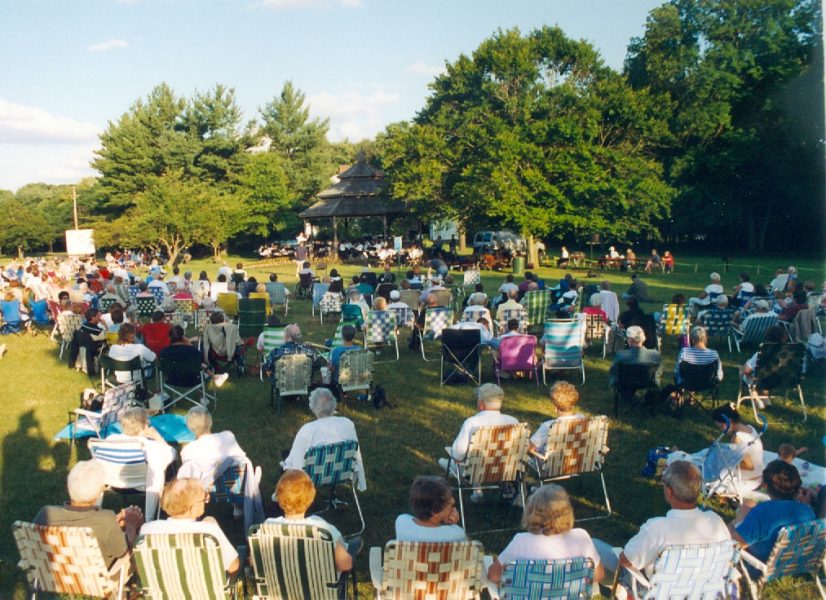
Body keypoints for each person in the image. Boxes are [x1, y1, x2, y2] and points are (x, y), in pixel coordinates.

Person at [595, 461, 729, 585]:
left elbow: (626, 561)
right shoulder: (715, 521)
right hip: (707, 591)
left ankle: (619, 591)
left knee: (594, 546)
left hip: (661, 592)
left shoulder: (657, 528)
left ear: (669, 491)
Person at [33, 460, 144, 568]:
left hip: (55, 577)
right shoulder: (105, 521)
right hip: (95, 583)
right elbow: (124, 553)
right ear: (98, 493)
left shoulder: (46, 514)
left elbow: (34, 548)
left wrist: (113, 525)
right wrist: (131, 526)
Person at [488, 485, 604, 584]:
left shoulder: (521, 541)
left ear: (531, 512)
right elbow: (598, 575)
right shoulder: (581, 537)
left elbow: (493, 576)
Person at [140, 478, 240, 574]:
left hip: (161, 590)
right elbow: (233, 567)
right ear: (191, 509)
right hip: (203, 590)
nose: (206, 501)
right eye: (203, 498)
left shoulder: (147, 530)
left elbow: (141, 567)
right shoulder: (208, 532)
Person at [437, 384, 518, 501]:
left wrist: (455, 457)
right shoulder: (513, 422)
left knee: (455, 461)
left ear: (481, 404)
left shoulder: (472, 423)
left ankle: (477, 491)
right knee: (479, 458)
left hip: (476, 470)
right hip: (506, 468)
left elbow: (458, 454)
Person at [267, 470, 357, 571]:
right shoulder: (322, 529)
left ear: (278, 498)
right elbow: (345, 565)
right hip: (317, 586)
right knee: (354, 543)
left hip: (278, 586)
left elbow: (255, 562)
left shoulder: (268, 527)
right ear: (311, 498)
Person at [729, 460, 815, 564]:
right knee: (748, 505)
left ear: (765, 486)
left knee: (727, 528)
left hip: (757, 563)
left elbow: (735, 544)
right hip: (793, 562)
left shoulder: (762, 512)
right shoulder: (807, 510)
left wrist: (731, 528)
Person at [281, 387, 366, 491]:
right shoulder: (347, 424)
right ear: (333, 405)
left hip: (314, 477)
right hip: (342, 472)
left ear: (313, 407)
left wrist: (286, 464)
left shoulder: (308, 429)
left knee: (286, 455)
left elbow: (296, 462)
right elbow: (357, 454)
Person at [107, 407, 177, 520]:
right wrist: (157, 437)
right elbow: (173, 453)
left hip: (113, 482)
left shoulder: (110, 439)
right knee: (159, 467)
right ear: (144, 426)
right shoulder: (149, 446)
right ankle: (150, 517)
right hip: (139, 485)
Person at [710, 403, 764, 493]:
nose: (721, 430)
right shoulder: (750, 428)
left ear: (729, 421)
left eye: (720, 426)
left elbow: (749, 465)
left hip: (751, 477)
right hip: (759, 471)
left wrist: (726, 463)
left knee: (715, 470)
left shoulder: (738, 438)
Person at [395, 476, 465, 542]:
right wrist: (452, 525)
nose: (453, 500)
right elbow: (470, 548)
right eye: (448, 502)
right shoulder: (456, 534)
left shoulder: (401, 522)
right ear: (434, 512)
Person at [160, 325, 229, 387]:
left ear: (170, 337)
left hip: (172, 380)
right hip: (191, 380)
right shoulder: (192, 350)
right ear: (183, 336)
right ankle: (204, 395)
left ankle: (215, 378)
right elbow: (201, 360)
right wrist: (188, 344)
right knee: (200, 365)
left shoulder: (164, 351)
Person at [529, 382, 584, 455]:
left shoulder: (549, 426)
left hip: (553, 465)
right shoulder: (582, 419)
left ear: (555, 408)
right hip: (579, 461)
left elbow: (530, 447)